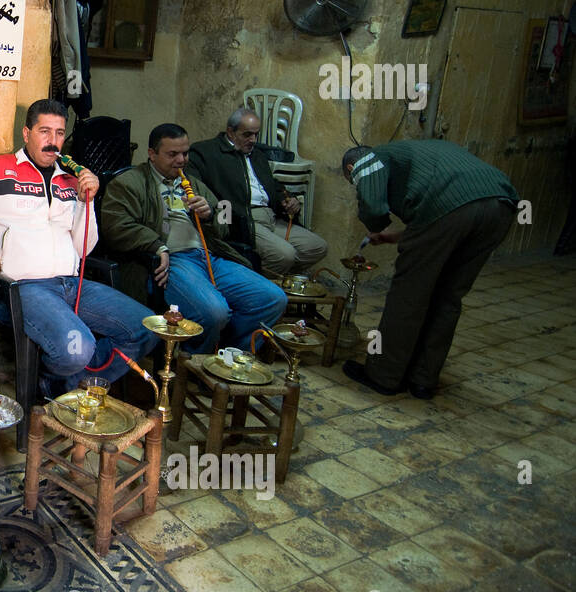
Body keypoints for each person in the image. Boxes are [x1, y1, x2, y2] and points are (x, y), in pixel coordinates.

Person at [0, 98, 154, 396]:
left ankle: (68, 386)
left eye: (60, 133)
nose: (53, 142)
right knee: (77, 349)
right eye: (44, 132)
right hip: (21, 289)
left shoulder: (70, 179)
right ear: (26, 134)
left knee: (146, 327)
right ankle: (60, 385)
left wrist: (85, 202)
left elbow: (84, 248)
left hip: (73, 286)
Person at [340, 139, 520, 399]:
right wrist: (396, 236)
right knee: (448, 295)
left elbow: (374, 206)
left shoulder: (367, 158)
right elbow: (450, 215)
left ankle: (384, 376)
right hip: (500, 205)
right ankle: (423, 379)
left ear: (350, 167)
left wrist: (375, 226)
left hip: (449, 207)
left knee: (409, 294)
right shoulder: (422, 153)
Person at [101, 123, 288, 354]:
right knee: (214, 312)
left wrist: (210, 214)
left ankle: (231, 356)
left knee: (272, 298)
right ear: (152, 154)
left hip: (209, 257)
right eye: (172, 154)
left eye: (185, 153)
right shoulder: (128, 183)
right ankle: (195, 362)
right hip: (173, 261)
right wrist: (157, 245)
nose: (181, 160)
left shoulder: (193, 182)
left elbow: (224, 220)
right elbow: (116, 225)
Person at [187, 107, 327, 275]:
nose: (253, 139)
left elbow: (271, 184)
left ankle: (274, 281)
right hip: (242, 220)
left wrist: (288, 199)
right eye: (247, 134)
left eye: (256, 134)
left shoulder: (257, 155)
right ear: (231, 132)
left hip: (271, 217)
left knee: (317, 247)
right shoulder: (206, 152)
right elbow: (197, 187)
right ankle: (257, 289)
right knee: (284, 255)